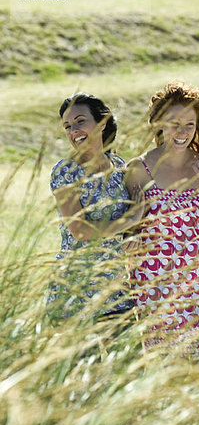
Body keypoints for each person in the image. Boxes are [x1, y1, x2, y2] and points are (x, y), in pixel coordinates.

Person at [125, 82, 199, 359]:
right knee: (168, 384)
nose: (182, 132)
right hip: (156, 286)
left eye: (189, 125)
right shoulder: (139, 169)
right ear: (159, 123)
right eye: (174, 123)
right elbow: (128, 240)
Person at [47, 92, 144, 322]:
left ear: (102, 124)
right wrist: (131, 219)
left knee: (128, 358)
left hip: (118, 291)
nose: (74, 131)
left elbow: (133, 222)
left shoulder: (120, 166)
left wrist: (133, 231)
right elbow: (80, 231)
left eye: (80, 121)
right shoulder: (65, 171)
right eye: (68, 126)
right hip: (75, 293)